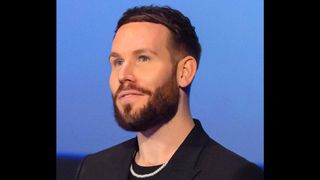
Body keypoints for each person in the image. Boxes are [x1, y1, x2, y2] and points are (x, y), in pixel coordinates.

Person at [76, 5, 263, 180]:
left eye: (143, 58)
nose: (123, 75)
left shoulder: (232, 175)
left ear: (184, 72)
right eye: (118, 62)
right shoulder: (93, 169)